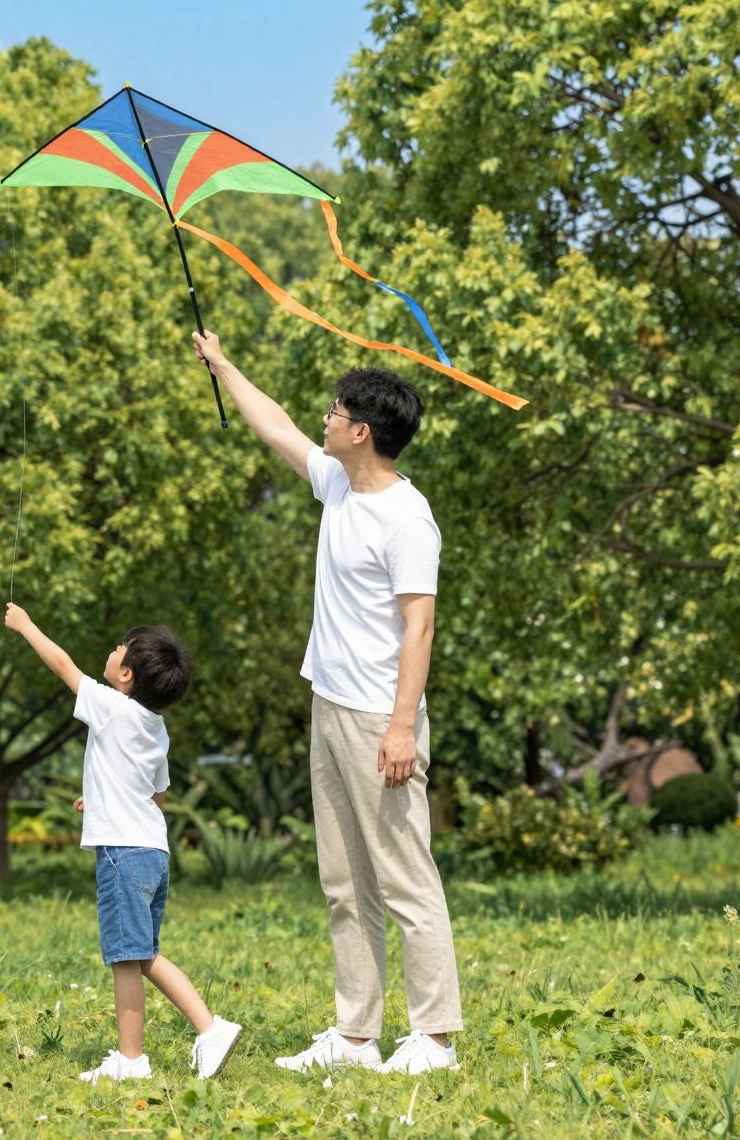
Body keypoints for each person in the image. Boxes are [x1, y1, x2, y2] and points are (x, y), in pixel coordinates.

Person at [193, 329, 463, 1076]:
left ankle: (434, 1037)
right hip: (331, 707)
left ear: (362, 431)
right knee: (345, 883)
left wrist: (403, 727)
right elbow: (274, 422)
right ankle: (355, 1036)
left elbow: (421, 624)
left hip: (382, 717)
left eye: (336, 411)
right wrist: (222, 363)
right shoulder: (339, 484)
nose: (324, 418)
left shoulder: (408, 519)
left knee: (406, 877)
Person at [4, 601, 243, 1082]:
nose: (111, 651)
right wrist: (99, 796)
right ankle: (207, 1028)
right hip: (152, 851)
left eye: (119, 649)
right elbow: (154, 791)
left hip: (123, 855)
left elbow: (64, 667)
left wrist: (27, 625)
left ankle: (136, 1059)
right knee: (143, 952)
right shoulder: (156, 728)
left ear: (127, 674)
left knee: (125, 958)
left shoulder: (111, 708)